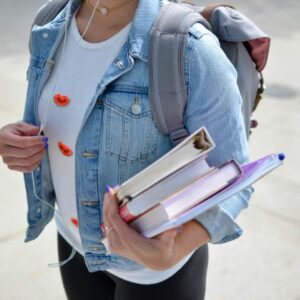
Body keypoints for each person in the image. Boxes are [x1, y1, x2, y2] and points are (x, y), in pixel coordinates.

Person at [0, 0, 252, 299]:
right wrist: (16, 138)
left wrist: (173, 250)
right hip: (74, 243)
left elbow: (233, 177)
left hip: (155, 274)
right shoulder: (50, 22)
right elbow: (68, 115)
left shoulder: (191, 49)